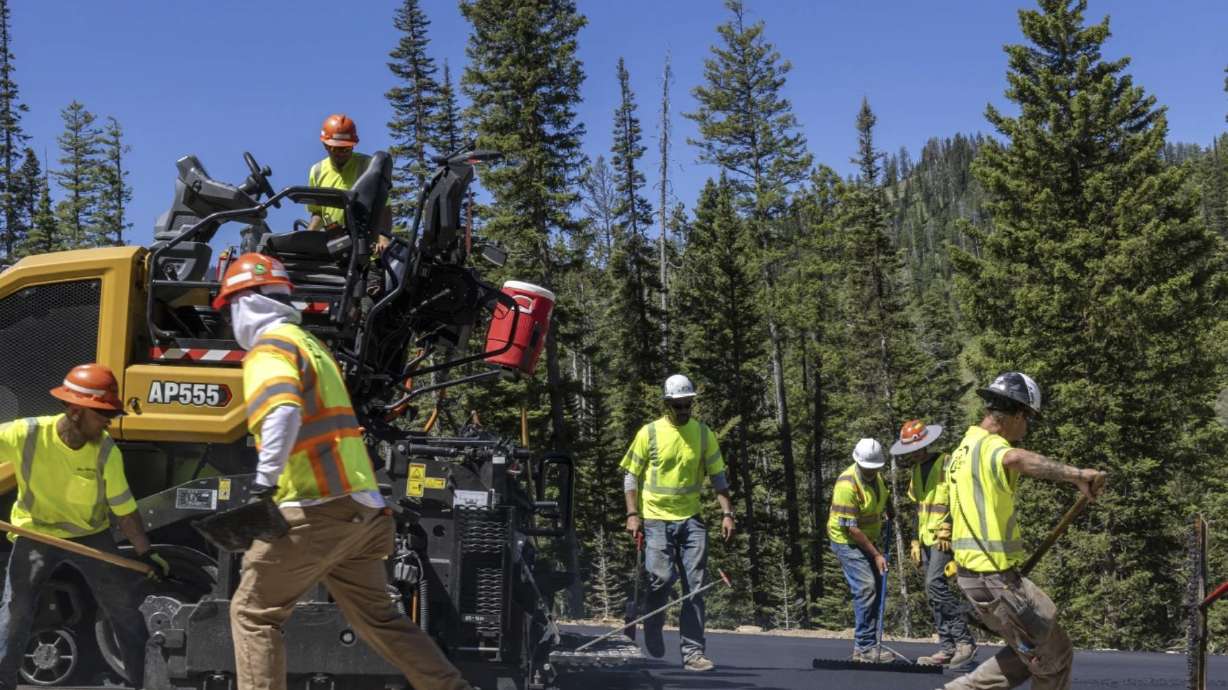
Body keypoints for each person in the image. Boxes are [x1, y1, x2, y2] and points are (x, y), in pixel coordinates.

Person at [213, 253, 471, 690]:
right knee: (380, 619)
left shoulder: (268, 348)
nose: (232, 319)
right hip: (361, 510)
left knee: (253, 613)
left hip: (315, 508)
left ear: (246, 302)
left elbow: (281, 411)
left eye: (231, 307)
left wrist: (263, 485)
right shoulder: (311, 345)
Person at [0, 364, 168, 690]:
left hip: (91, 538)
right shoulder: (28, 434)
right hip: (36, 534)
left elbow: (125, 512)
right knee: (16, 611)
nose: (108, 421)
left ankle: (142, 684)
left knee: (124, 612)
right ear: (76, 411)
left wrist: (145, 554)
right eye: (102, 413)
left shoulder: (106, 451)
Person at [944, 373, 1107, 690]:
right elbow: (1016, 458)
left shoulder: (964, 449)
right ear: (1016, 414)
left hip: (977, 577)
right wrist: (1076, 475)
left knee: (1029, 654)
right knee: (1054, 658)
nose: (1027, 428)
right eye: (1028, 419)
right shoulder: (991, 446)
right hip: (993, 579)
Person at [621, 374, 734, 672]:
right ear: (668, 404)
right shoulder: (650, 433)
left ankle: (693, 653)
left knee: (694, 588)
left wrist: (727, 513)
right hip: (656, 519)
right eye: (679, 406)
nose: (684, 411)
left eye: (688, 405)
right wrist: (633, 514)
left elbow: (718, 476)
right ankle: (653, 619)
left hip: (691, 520)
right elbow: (630, 475)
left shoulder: (702, 433)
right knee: (660, 578)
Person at [889, 418, 976, 668]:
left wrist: (948, 528)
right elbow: (921, 508)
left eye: (915, 449)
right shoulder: (916, 470)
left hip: (945, 538)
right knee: (932, 591)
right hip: (927, 538)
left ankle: (964, 641)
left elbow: (958, 499)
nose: (912, 455)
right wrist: (915, 540)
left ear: (925, 445)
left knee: (935, 583)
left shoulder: (947, 464)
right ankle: (947, 647)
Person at [828, 437, 894, 663]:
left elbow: (882, 497)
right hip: (847, 541)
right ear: (858, 462)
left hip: (868, 539)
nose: (871, 471)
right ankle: (865, 648)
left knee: (876, 588)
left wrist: (890, 509)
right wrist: (876, 555)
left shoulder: (877, 478)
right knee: (866, 587)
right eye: (867, 468)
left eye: (874, 468)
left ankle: (867, 645)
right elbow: (852, 529)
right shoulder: (847, 485)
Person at [307, 113, 393, 243]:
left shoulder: (368, 167)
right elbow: (317, 212)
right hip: (335, 242)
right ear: (325, 145)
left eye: (346, 148)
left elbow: (385, 208)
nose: (341, 153)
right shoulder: (317, 171)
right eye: (335, 149)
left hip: (364, 242)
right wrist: (308, 237)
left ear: (353, 145)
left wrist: (383, 238)